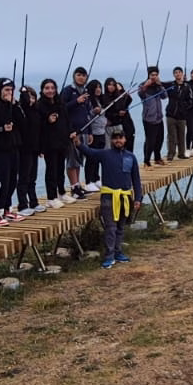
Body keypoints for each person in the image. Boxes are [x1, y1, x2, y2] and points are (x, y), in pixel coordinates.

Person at [72, 126, 143, 268]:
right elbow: (89, 152)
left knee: (121, 227)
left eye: (120, 138)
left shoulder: (131, 157)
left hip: (125, 197)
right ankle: (109, 256)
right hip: (109, 197)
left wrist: (138, 198)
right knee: (110, 227)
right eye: (115, 138)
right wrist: (78, 143)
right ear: (111, 140)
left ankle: (118, 252)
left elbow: (136, 180)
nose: (118, 140)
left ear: (125, 139)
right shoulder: (105, 154)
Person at [0, 78, 21, 225]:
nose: (9, 93)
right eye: (6, 90)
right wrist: (2, 129)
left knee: (13, 179)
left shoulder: (14, 106)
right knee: (3, 179)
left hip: (14, 147)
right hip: (0, 149)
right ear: (0, 90)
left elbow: (23, 122)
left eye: (11, 90)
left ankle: (8, 208)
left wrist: (15, 105)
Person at [36, 78, 71, 208]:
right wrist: (48, 120)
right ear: (43, 90)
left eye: (52, 88)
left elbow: (67, 120)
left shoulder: (59, 103)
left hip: (62, 141)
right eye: (47, 88)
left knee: (60, 168)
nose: (50, 90)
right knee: (51, 170)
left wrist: (70, 132)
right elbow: (38, 126)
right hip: (49, 143)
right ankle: (51, 197)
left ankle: (61, 192)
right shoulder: (40, 105)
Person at [60, 67, 92, 199]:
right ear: (74, 76)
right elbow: (61, 108)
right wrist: (76, 101)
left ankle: (78, 185)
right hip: (72, 131)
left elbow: (87, 113)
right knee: (72, 160)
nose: (81, 77)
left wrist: (89, 132)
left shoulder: (85, 91)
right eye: (79, 75)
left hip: (84, 129)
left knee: (79, 160)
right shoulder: (68, 90)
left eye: (84, 75)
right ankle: (73, 187)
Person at [16, 84, 44, 216]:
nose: (31, 99)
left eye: (33, 96)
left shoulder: (36, 111)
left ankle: (34, 201)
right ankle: (22, 204)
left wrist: (40, 148)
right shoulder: (21, 110)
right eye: (29, 97)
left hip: (34, 148)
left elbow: (39, 132)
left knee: (32, 177)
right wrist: (23, 94)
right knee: (24, 177)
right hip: (24, 149)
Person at [138, 66, 169, 166]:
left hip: (159, 117)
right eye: (152, 75)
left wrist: (160, 85)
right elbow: (140, 94)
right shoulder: (143, 85)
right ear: (148, 75)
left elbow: (164, 96)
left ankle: (157, 158)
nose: (154, 77)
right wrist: (146, 86)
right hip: (148, 118)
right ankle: (146, 161)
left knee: (159, 139)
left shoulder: (157, 86)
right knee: (150, 141)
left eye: (156, 75)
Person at [103, 77, 135, 155]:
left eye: (113, 85)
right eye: (109, 85)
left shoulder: (119, 97)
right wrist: (117, 114)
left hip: (121, 125)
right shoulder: (103, 97)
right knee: (109, 149)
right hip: (110, 127)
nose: (111, 87)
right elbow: (107, 112)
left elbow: (128, 100)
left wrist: (121, 90)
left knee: (122, 147)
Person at [165, 67, 190, 161]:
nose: (178, 74)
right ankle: (171, 153)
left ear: (182, 74)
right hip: (171, 114)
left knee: (182, 135)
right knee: (171, 135)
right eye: (175, 72)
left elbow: (190, 100)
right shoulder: (170, 85)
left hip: (182, 115)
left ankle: (181, 153)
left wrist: (184, 107)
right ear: (173, 74)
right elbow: (160, 83)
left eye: (179, 72)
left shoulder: (187, 86)